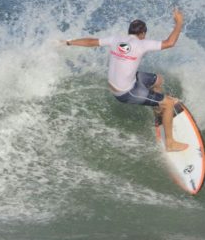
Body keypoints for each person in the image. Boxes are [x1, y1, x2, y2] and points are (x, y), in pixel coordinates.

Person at [64, 8, 188, 152]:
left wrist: (69, 42)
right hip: (126, 92)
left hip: (119, 84)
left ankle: (157, 111)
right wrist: (179, 22)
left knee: (158, 80)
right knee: (169, 103)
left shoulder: (116, 39)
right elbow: (170, 42)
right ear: (142, 33)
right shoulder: (142, 43)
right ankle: (170, 143)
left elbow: (91, 41)